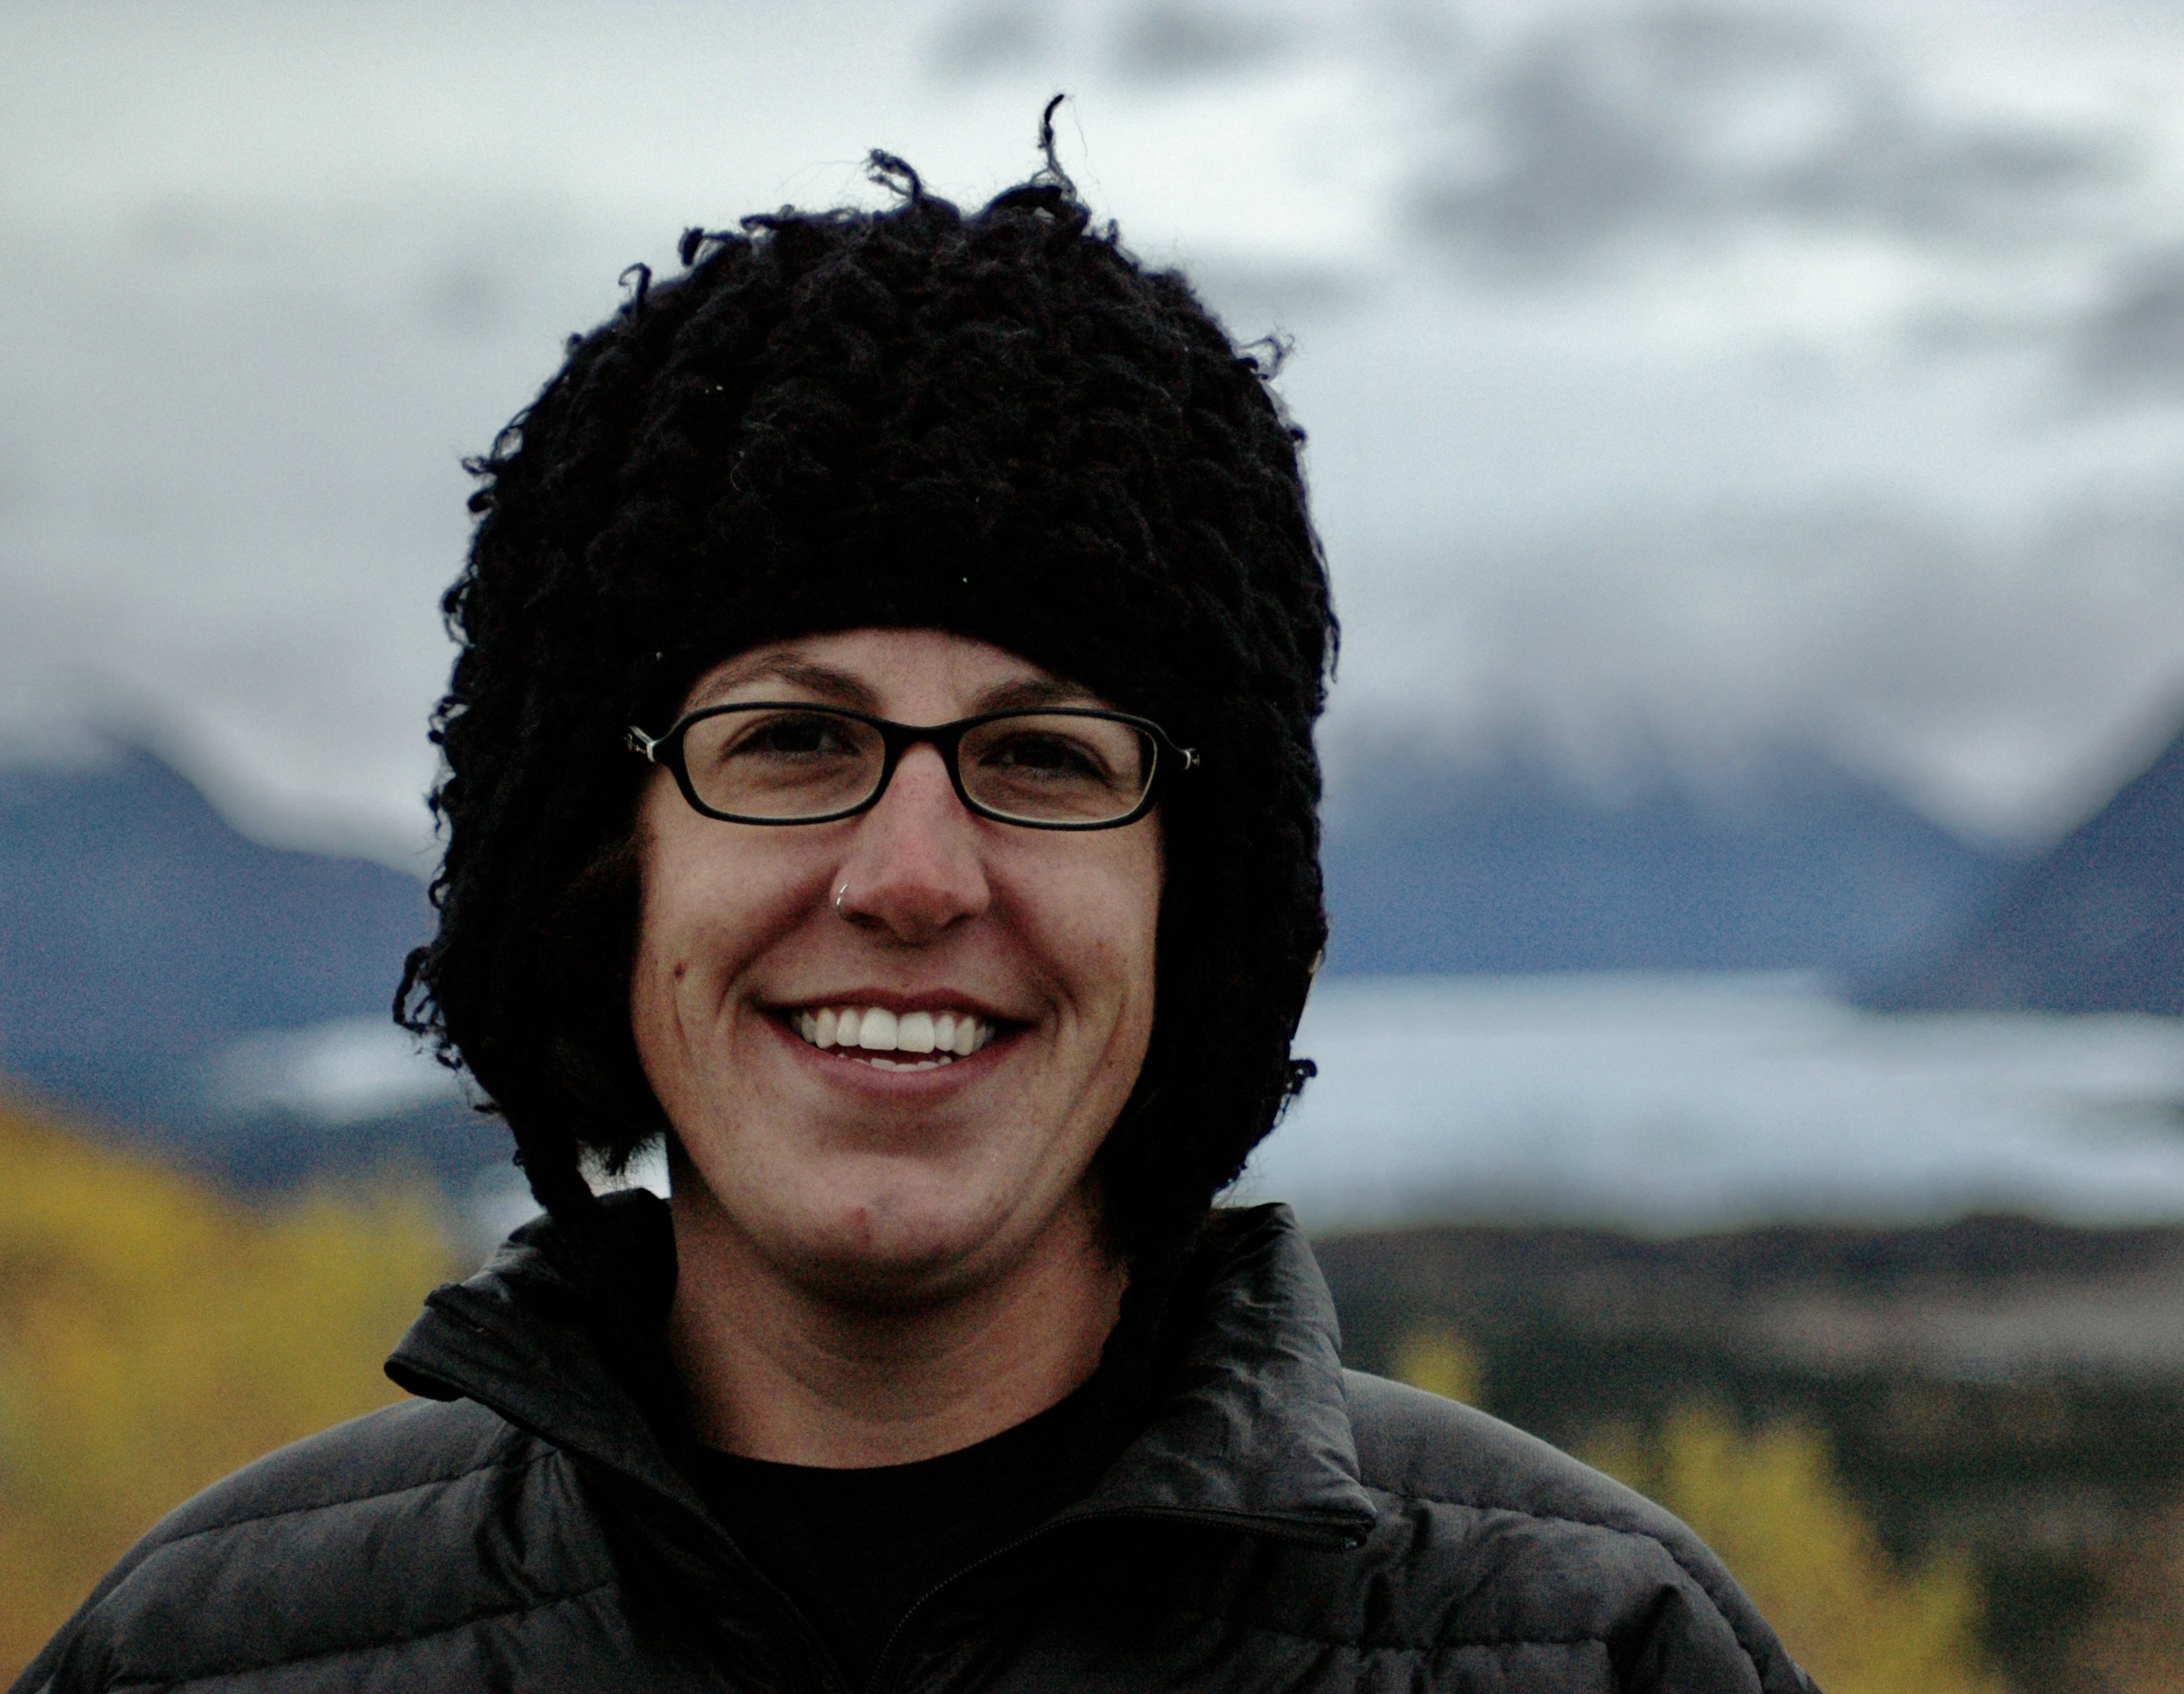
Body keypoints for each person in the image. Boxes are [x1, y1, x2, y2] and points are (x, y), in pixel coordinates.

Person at [15, 119, 1816, 1694]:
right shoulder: (215, 1652)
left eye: (1041, 756)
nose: (910, 877)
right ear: (597, 860)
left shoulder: (1588, 1649)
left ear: (1200, 899)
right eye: (794, 740)